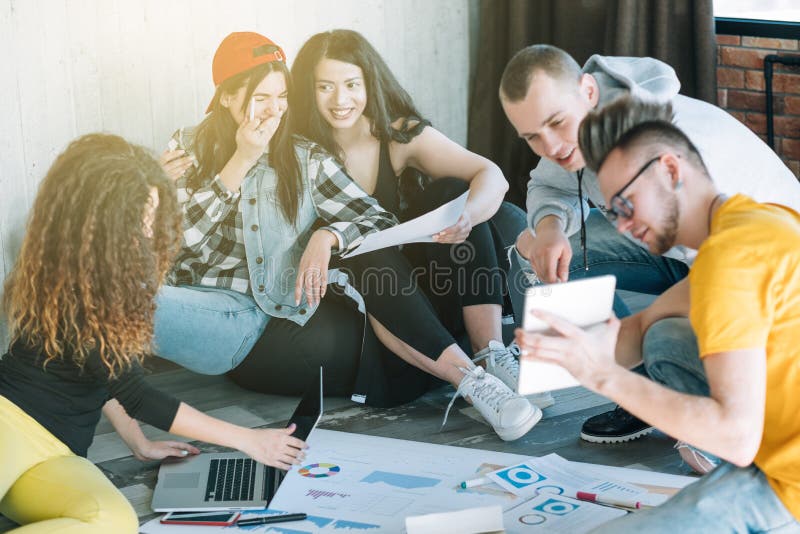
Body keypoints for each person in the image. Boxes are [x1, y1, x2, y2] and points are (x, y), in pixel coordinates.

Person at [157, 32, 540, 441]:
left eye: (281, 97)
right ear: (228, 98)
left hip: (302, 301)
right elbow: (182, 244)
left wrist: (330, 234)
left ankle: (486, 365)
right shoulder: (187, 148)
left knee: (492, 216)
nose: (274, 110)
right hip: (213, 302)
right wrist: (240, 159)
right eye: (261, 98)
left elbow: (375, 221)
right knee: (114, 298)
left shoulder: (304, 155)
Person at [515, 96, 800, 532]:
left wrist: (604, 376)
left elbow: (738, 438)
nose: (623, 226)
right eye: (613, 212)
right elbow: (645, 325)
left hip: (786, 483)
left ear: (670, 169)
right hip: (773, 445)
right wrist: (564, 355)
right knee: (665, 337)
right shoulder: (751, 221)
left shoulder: (730, 259)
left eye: (627, 206)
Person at [0, 134, 307, 533]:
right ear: (99, 219)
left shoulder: (102, 281)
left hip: (57, 456)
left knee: (111, 522)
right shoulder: (71, 284)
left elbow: (103, 376)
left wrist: (138, 443)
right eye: (138, 215)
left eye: (152, 214)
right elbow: (138, 395)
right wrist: (249, 440)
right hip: (10, 426)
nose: (148, 228)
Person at [499, 44, 800, 445]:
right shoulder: (579, 133)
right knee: (546, 250)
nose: (551, 147)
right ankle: (646, 398)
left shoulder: (685, 150)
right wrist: (549, 230)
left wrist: (704, 422)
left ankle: (704, 408)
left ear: (588, 92)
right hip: (686, 257)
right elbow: (548, 183)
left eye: (556, 123)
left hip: (759, 283)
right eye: (532, 137)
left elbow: (728, 286)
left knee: (664, 340)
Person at [289, 29, 551, 409]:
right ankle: (468, 377)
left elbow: (491, 175)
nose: (340, 100)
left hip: (426, 281)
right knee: (364, 254)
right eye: (325, 87)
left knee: (452, 194)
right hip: (367, 291)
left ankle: (490, 355)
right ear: (308, 91)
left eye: (351, 84)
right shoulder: (297, 149)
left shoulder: (396, 135)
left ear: (369, 83)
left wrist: (467, 217)